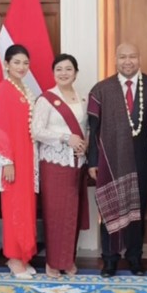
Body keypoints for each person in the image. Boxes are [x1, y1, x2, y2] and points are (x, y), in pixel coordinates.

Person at [88, 42, 147, 277]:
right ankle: (109, 259)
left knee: (137, 211)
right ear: (115, 60)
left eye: (132, 56)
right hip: (110, 161)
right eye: (122, 57)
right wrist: (93, 161)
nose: (127, 61)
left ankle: (134, 258)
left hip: (142, 161)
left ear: (139, 58)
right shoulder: (101, 89)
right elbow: (93, 130)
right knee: (110, 208)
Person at [32, 52, 89, 278]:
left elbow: (87, 128)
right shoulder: (46, 99)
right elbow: (36, 131)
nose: (64, 73)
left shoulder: (82, 99)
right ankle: (53, 262)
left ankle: (68, 259)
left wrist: (85, 145)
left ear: (75, 73)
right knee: (56, 214)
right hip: (54, 164)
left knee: (72, 214)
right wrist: (66, 138)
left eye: (68, 69)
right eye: (59, 69)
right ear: (53, 73)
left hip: (78, 163)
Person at [0, 43, 38, 278]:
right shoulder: (2, 90)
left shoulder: (24, 89)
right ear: (6, 64)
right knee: (14, 207)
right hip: (13, 161)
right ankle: (13, 258)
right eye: (16, 62)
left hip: (27, 159)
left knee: (26, 207)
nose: (21, 67)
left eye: (25, 62)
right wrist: (6, 161)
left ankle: (24, 254)